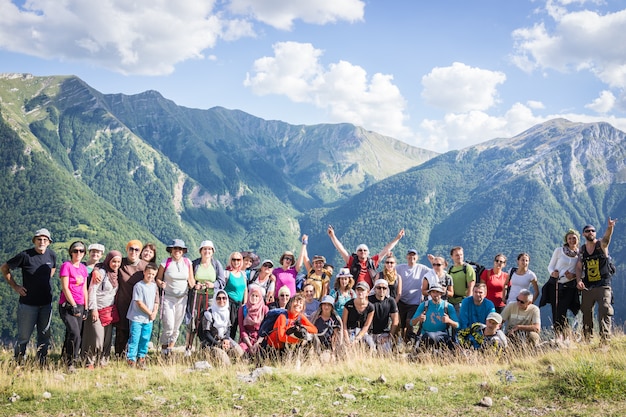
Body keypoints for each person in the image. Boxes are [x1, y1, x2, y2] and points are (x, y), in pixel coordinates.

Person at [1, 228, 57, 365]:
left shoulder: (52, 255)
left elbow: (53, 268)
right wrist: (15, 286)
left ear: (49, 242)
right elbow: (4, 268)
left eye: (45, 240)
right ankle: (19, 363)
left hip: (46, 303)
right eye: (39, 239)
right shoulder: (25, 255)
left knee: (44, 335)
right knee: (24, 336)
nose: (42, 242)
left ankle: (41, 362)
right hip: (28, 304)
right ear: (34, 241)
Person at [576, 218, 617, 342]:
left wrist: (610, 228)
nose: (591, 233)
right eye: (588, 231)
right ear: (583, 234)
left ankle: (605, 339)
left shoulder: (601, 245)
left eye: (593, 231)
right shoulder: (582, 250)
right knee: (586, 312)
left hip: (603, 284)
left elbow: (606, 239)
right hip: (588, 285)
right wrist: (578, 280)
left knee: (604, 308)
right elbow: (578, 267)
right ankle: (587, 338)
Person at [327, 226, 404, 289]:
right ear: (357, 253)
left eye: (365, 250)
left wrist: (397, 238)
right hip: (355, 292)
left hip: (369, 293)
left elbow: (386, 249)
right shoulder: (352, 261)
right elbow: (341, 249)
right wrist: (332, 236)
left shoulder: (372, 262)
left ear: (368, 253)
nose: (362, 252)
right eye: (360, 250)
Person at [82, 250, 121, 369]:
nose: (116, 264)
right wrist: (93, 309)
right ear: (108, 260)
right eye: (113, 261)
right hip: (97, 309)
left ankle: (103, 361)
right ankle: (89, 361)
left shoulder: (116, 273)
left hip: (109, 310)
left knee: (106, 338)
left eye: (118, 262)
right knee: (95, 338)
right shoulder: (102, 273)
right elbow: (92, 291)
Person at [185, 240, 225, 355]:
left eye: (209, 249)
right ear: (200, 251)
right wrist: (194, 285)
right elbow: (190, 279)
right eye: (204, 249)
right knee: (193, 320)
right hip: (196, 295)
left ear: (212, 252)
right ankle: (188, 347)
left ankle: (206, 346)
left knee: (208, 321)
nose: (207, 251)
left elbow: (221, 281)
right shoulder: (195, 264)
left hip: (211, 297)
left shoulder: (216, 264)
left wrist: (213, 285)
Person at [155, 239, 194, 355]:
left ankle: (170, 350)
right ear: (171, 250)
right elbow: (158, 278)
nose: (177, 251)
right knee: (169, 325)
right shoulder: (165, 262)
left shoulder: (187, 263)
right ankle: (163, 348)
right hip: (168, 298)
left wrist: (195, 285)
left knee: (176, 326)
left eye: (180, 249)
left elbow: (191, 279)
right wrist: (160, 283)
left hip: (183, 298)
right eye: (175, 248)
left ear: (183, 251)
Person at [542, 229, 581, 337]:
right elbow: (550, 266)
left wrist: (573, 276)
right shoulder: (559, 251)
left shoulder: (580, 254)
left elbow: (581, 271)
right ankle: (559, 335)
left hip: (570, 286)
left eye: (574, 238)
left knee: (565, 310)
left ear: (578, 240)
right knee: (557, 311)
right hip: (556, 284)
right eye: (569, 238)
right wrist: (552, 273)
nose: (572, 240)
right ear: (566, 240)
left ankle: (566, 334)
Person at [58, 241, 89, 371]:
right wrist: (74, 305)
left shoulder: (83, 268)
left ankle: (64, 359)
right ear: (71, 252)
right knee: (75, 334)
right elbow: (65, 287)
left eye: (81, 251)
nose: (78, 253)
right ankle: (71, 363)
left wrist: (86, 308)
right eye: (75, 250)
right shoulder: (66, 266)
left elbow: (84, 289)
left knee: (72, 334)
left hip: (81, 305)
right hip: (67, 306)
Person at [113, 240, 147, 356]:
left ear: (140, 251)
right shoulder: (120, 263)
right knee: (122, 330)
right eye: (131, 249)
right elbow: (105, 265)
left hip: (139, 305)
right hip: (123, 303)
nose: (133, 252)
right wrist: (97, 271)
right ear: (127, 250)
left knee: (138, 331)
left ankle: (135, 356)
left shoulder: (144, 266)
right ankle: (119, 356)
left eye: (136, 249)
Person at [126, 262, 159, 368]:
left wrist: (154, 312)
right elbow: (139, 302)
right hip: (137, 317)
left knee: (145, 338)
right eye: (149, 273)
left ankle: (141, 358)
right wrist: (150, 313)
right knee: (134, 338)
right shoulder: (139, 286)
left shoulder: (154, 286)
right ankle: (131, 359)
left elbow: (156, 301)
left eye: (153, 274)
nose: (150, 276)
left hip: (148, 319)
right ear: (144, 272)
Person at [396, 249, 431, 342]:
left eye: (414, 255)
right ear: (406, 257)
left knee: (409, 322)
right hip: (401, 301)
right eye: (409, 255)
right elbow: (389, 270)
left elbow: (435, 272)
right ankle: (403, 342)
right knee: (401, 324)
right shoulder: (400, 268)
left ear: (417, 257)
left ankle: (408, 340)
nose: (411, 257)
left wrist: (433, 262)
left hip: (415, 302)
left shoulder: (422, 268)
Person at [411, 284, 459, 350]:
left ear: (441, 294)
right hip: (425, 335)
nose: (435, 294)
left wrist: (449, 321)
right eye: (433, 292)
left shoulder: (448, 306)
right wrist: (418, 318)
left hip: (442, 336)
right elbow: (412, 323)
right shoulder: (424, 305)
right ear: (430, 294)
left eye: (437, 292)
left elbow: (457, 325)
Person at [201, 289, 245, 359]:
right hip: (211, 342)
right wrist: (218, 344)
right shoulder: (208, 314)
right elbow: (206, 334)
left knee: (239, 352)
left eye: (224, 298)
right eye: (219, 298)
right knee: (223, 358)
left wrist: (227, 339)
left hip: (224, 340)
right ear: (215, 300)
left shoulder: (226, 312)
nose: (221, 300)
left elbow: (228, 328)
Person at [342, 281, 375, 350]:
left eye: (363, 290)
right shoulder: (348, 305)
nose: (360, 292)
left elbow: (366, 326)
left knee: (372, 346)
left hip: (363, 332)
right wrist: (347, 339)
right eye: (358, 290)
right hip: (350, 331)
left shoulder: (371, 307)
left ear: (368, 292)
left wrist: (358, 338)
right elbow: (344, 324)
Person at [368, 279, 399, 352]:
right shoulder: (368, 300)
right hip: (369, 333)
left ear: (387, 289)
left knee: (386, 352)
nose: (381, 290)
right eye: (379, 288)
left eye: (384, 288)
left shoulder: (391, 301)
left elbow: (395, 320)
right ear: (375, 289)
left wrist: (389, 337)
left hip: (384, 333)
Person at [223, 252, 248, 339]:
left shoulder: (243, 274)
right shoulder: (226, 273)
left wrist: (245, 303)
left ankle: (232, 346)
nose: (236, 262)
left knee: (237, 325)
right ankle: (226, 344)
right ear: (231, 261)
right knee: (229, 326)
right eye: (234, 259)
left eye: (238, 259)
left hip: (240, 304)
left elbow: (245, 289)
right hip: (229, 303)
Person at [238, 285, 269, 355]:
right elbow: (242, 330)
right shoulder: (243, 309)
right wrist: (250, 346)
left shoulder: (264, 309)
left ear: (260, 297)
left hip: (260, 339)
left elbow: (266, 328)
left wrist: (257, 343)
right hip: (247, 339)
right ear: (249, 295)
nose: (254, 298)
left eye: (257, 296)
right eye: (253, 295)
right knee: (241, 350)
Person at [448, 246, 476, 314]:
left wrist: (467, 302)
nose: (459, 257)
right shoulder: (451, 269)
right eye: (457, 255)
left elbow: (471, 287)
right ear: (452, 256)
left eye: (461, 254)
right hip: (450, 301)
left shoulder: (467, 268)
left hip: (462, 302)